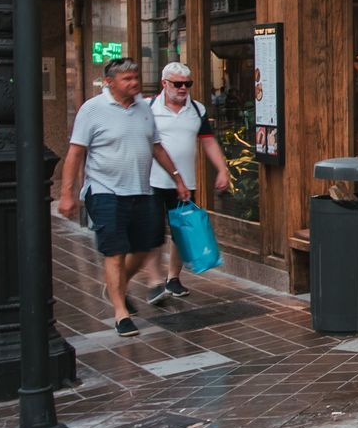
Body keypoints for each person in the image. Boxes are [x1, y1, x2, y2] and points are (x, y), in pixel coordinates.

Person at [56, 58, 190, 336]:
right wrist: (66, 195)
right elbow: (75, 154)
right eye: (127, 79)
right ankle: (121, 313)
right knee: (115, 252)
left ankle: (116, 285)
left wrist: (178, 178)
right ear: (109, 82)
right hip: (105, 192)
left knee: (145, 247)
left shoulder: (144, 108)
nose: (134, 83)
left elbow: (156, 147)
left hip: (141, 190)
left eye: (135, 77)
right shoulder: (92, 110)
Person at [144, 61, 231, 302]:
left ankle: (173, 278)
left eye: (187, 84)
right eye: (178, 84)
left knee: (182, 230)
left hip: (186, 182)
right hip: (152, 180)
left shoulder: (197, 109)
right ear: (164, 84)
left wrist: (222, 169)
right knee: (153, 232)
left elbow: (208, 141)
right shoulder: (147, 108)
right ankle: (154, 280)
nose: (183, 88)